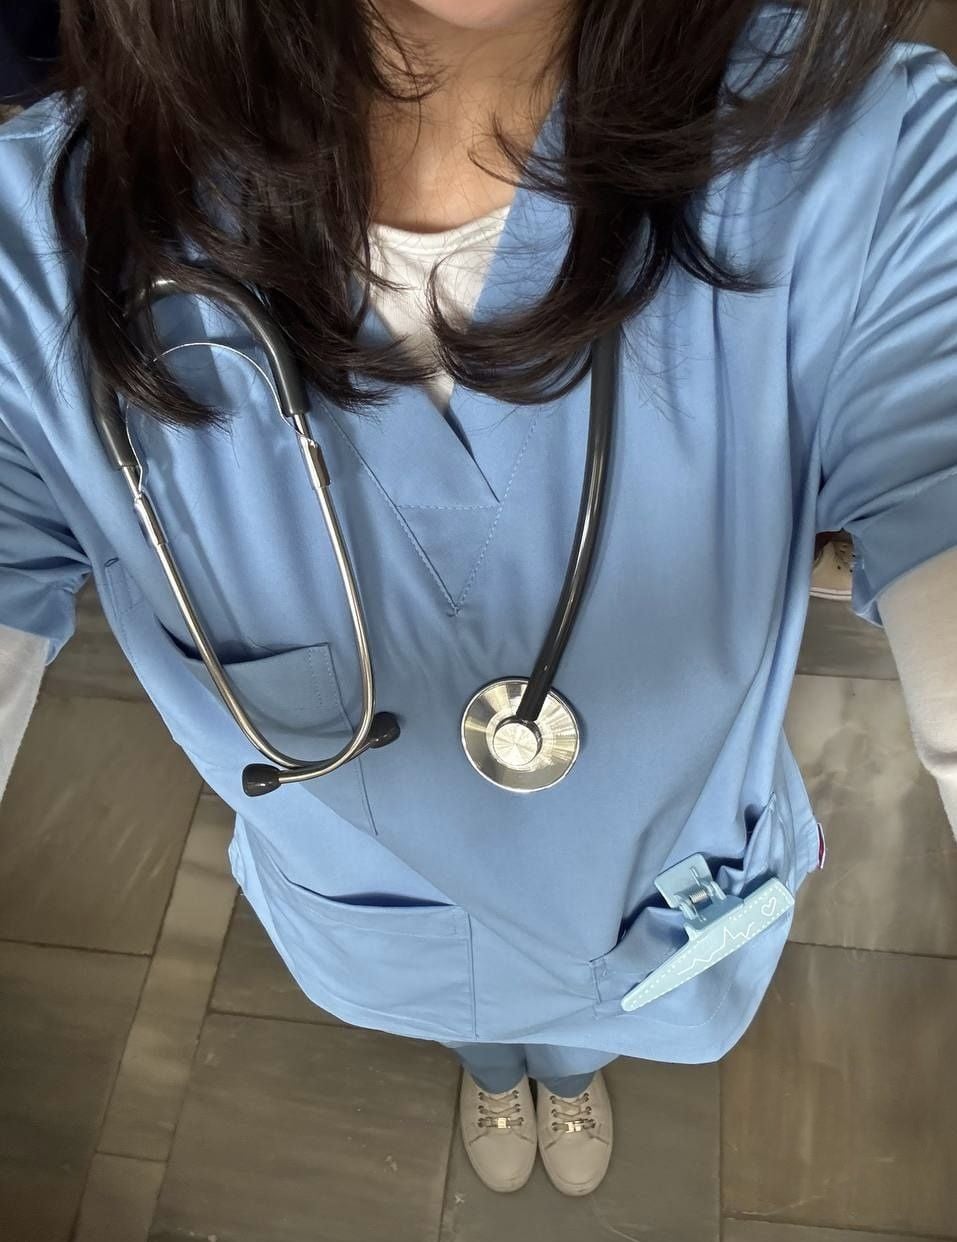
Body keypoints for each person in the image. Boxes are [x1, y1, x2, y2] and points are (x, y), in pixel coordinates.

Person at [1, 0, 956, 1200]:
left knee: (591, 1026)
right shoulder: (35, 264)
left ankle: (568, 1071)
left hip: (662, 911)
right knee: (469, 1023)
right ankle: (499, 1068)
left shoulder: (865, 162)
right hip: (382, 926)